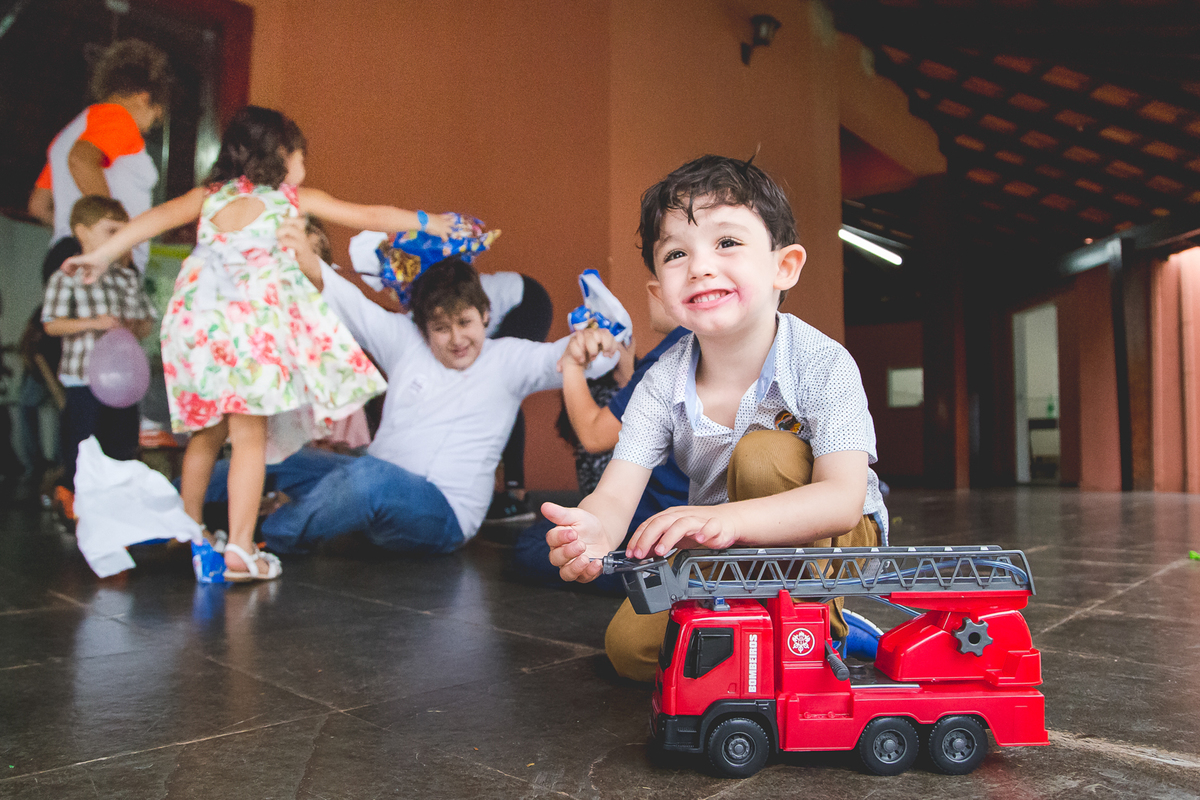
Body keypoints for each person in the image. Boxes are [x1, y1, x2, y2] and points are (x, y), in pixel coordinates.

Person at [62, 105, 456, 582]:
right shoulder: (290, 199)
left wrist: (100, 255)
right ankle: (242, 549)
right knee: (249, 438)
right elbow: (366, 214)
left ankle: (192, 537)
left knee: (204, 437)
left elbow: (153, 220)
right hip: (250, 333)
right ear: (281, 155)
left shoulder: (209, 197)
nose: (304, 168)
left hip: (198, 331)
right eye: (300, 156)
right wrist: (430, 221)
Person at [543, 155, 889, 681]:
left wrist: (723, 522)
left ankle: (824, 622)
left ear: (784, 266)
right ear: (662, 295)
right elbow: (617, 492)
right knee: (630, 651)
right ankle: (758, 629)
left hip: (831, 544)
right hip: (726, 551)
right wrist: (594, 529)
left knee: (764, 453)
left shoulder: (822, 362)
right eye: (677, 252)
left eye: (727, 243)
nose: (701, 265)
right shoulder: (662, 382)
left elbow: (841, 500)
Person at [247, 224, 617, 558]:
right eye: (441, 327)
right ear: (423, 327)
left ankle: (262, 542)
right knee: (284, 460)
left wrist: (595, 343)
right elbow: (348, 301)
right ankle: (196, 510)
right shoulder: (404, 340)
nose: (457, 339)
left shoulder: (509, 360)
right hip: (377, 479)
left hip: (444, 516)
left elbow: (575, 357)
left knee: (367, 479)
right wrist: (307, 259)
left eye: (465, 323)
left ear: (485, 316)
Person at [510, 280, 691, 593]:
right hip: (685, 513)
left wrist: (570, 365)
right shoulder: (689, 352)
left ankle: (662, 578)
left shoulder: (668, 357)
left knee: (531, 546)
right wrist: (628, 370)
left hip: (661, 518)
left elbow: (594, 435)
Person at [42, 196, 154, 515]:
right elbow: (51, 324)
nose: (119, 239)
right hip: (83, 377)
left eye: (123, 232)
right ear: (83, 232)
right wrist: (95, 323)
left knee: (122, 441)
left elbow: (144, 322)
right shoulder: (67, 276)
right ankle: (76, 500)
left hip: (123, 381)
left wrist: (134, 325)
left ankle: (117, 505)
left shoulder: (127, 278)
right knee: (82, 441)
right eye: (111, 231)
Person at [28, 40, 172, 273]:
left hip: (63, 254)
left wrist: (73, 234)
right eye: (154, 119)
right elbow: (81, 161)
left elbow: (38, 206)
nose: (146, 130)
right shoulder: (120, 118)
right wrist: (117, 238)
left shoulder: (69, 132)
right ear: (145, 98)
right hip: (105, 258)